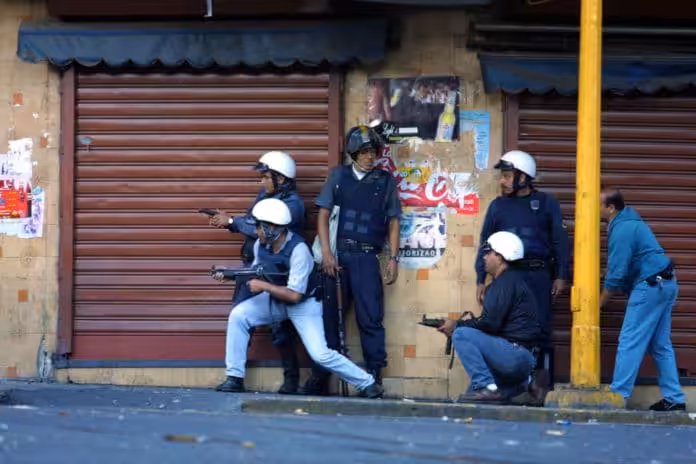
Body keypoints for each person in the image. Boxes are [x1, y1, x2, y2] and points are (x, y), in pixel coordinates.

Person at [212, 198, 383, 399]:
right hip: (275, 300)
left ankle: (368, 384)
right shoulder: (261, 244)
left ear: (272, 228)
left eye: (259, 226)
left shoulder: (299, 250)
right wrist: (229, 274)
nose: (256, 230)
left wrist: (263, 286)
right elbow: (257, 271)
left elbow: (294, 295)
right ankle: (234, 378)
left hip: (303, 305)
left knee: (320, 353)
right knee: (239, 315)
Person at [303, 125, 401, 395]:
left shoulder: (385, 181)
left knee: (370, 318)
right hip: (338, 257)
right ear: (354, 153)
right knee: (329, 319)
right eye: (365, 152)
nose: (371, 157)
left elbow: (393, 222)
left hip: (368, 258)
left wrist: (393, 259)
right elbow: (322, 216)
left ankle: (373, 376)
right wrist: (326, 253)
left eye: (374, 152)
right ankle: (322, 377)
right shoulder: (339, 176)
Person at [475, 150, 570, 401]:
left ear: (523, 177)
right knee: (502, 328)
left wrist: (561, 275)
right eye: (502, 176)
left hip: (539, 276)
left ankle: (542, 386)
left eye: (507, 176)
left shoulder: (547, 203)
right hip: (507, 276)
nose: (502, 181)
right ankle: (505, 387)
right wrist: (480, 280)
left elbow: (561, 242)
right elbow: (485, 244)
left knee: (542, 330)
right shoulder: (498, 206)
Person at [209, 151, 305, 395]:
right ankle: (234, 377)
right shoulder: (265, 195)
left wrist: (232, 221)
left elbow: (254, 226)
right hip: (251, 267)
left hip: (275, 272)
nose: (261, 182)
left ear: (281, 179)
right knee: (239, 318)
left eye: (265, 177)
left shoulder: (293, 205)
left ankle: (291, 381)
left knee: (280, 327)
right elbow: (253, 222)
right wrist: (229, 223)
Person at [599, 189, 686, 411]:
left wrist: (598, 303)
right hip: (666, 283)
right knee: (660, 345)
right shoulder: (632, 222)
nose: (591, 208)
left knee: (630, 341)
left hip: (650, 286)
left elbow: (617, 275)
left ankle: (618, 396)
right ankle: (675, 398)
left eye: (597, 204)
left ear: (610, 208)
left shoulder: (622, 228)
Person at [439, 231, 542, 403]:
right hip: (520, 359)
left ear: (500, 258)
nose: (484, 257)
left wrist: (456, 325)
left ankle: (488, 387)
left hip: (513, 356)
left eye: (489, 253)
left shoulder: (503, 283)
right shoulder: (513, 280)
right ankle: (525, 384)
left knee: (461, 334)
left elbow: (489, 323)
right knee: (469, 401)